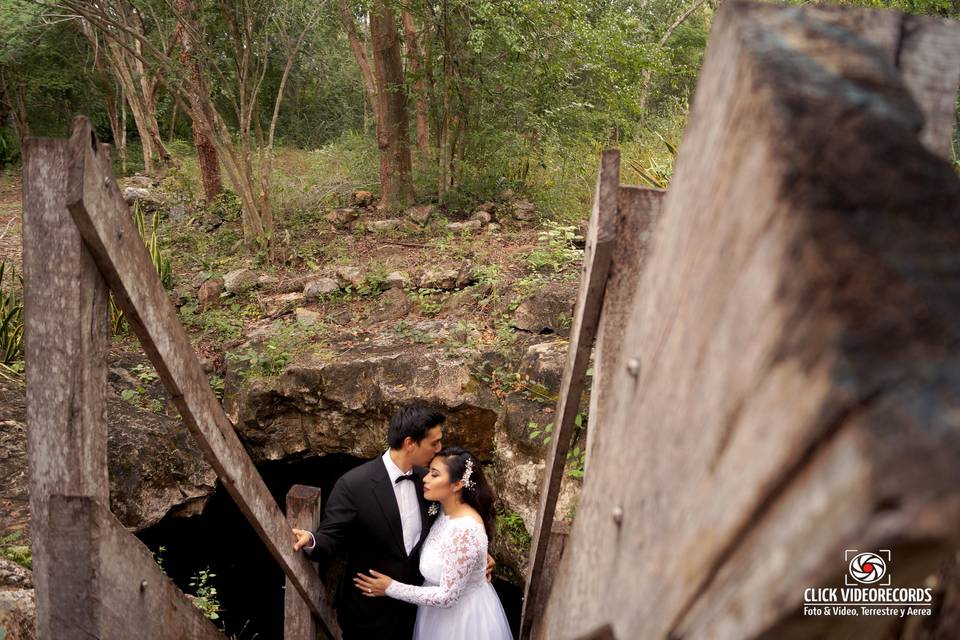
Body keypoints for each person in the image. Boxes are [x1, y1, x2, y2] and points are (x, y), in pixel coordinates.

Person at [291, 405, 494, 639]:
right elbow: (331, 537)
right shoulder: (353, 484)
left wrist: (478, 556)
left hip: (420, 613)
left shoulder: (428, 482)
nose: (439, 449)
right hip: (369, 615)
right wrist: (311, 540)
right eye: (434, 443)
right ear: (410, 443)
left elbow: (456, 521)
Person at [353, 447, 513, 640]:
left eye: (434, 475)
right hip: (434, 616)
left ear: (457, 485)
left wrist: (390, 587)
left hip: (461, 621)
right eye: (429, 471)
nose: (425, 478)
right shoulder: (441, 510)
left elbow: (447, 597)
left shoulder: (465, 530)